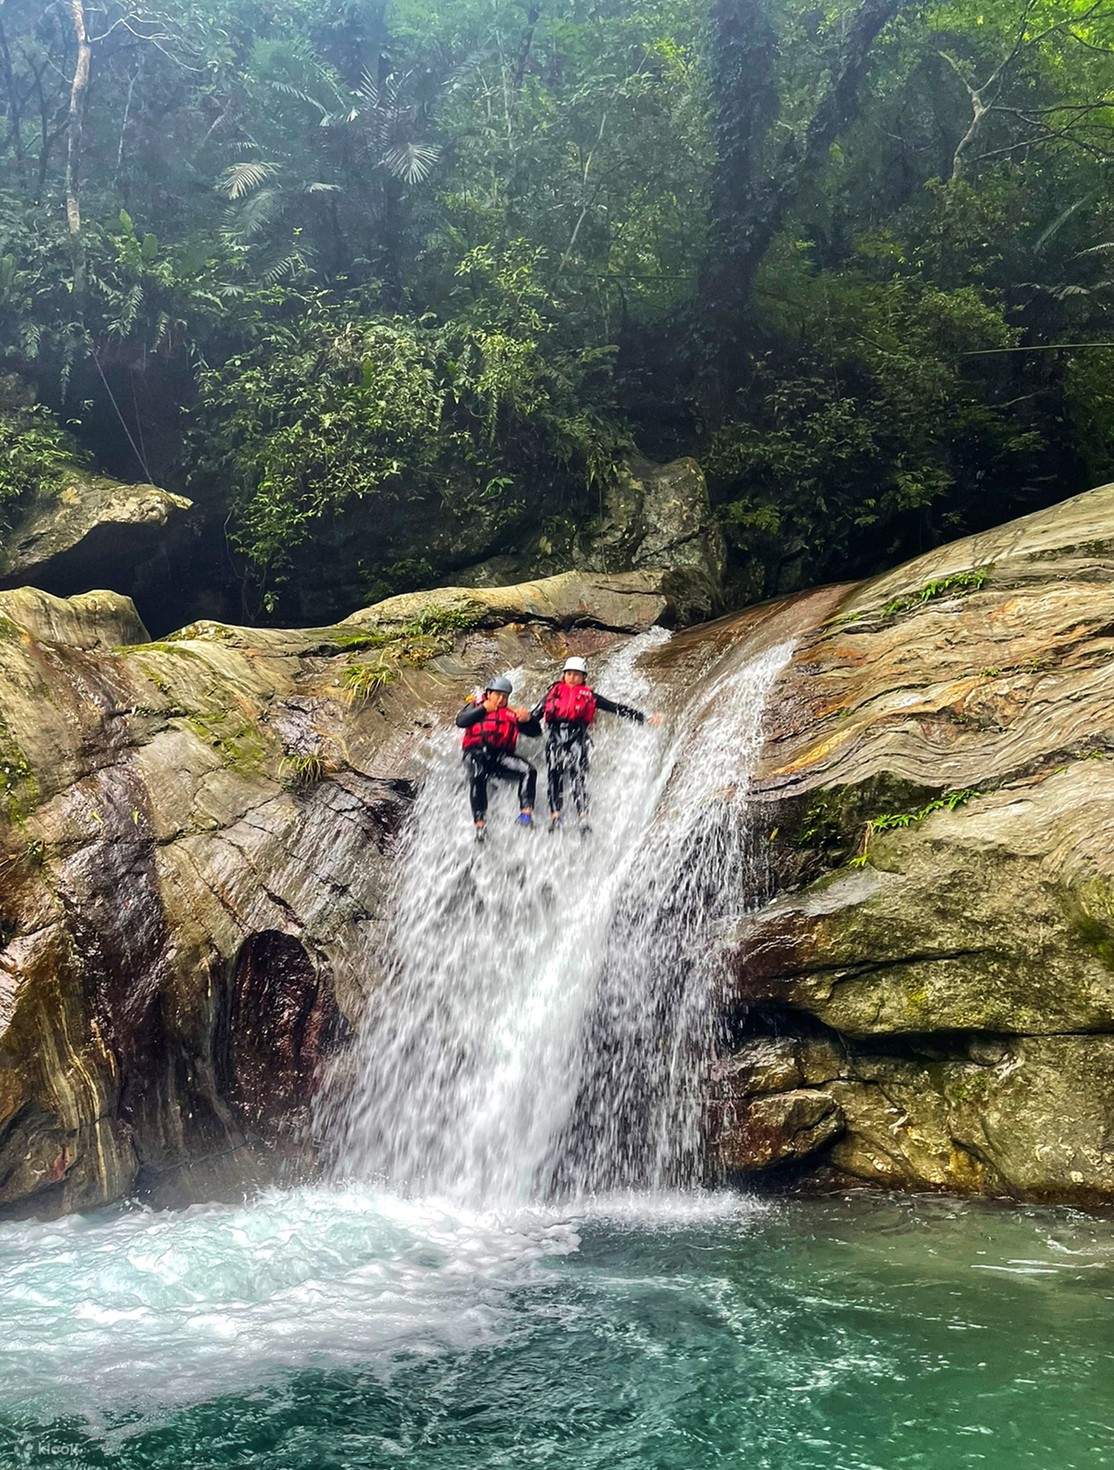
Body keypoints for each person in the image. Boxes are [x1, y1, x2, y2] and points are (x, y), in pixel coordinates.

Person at [531, 656, 659, 834]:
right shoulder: (553, 694)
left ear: (584, 677)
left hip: (578, 737)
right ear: (563, 675)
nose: (572, 678)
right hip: (555, 737)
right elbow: (534, 716)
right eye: (569, 674)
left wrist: (644, 718)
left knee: (578, 774)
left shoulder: (589, 696)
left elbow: (616, 708)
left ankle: (583, 816)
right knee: (554, 773)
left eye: (577, 674)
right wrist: (516, 723)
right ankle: (555, 816)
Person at [455, 675, 542, 841]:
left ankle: (525, 814)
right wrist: (482, 709)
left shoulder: (512, 714)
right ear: (488, 693)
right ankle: (480, 825)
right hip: (476, 753)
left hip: (501, 757)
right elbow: (461, 721)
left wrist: (529, 719)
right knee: (478, 773)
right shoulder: (475, 706)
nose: (501, 699)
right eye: (497, 694)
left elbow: (536, 733)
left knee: (528, 770)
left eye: (505, 696)